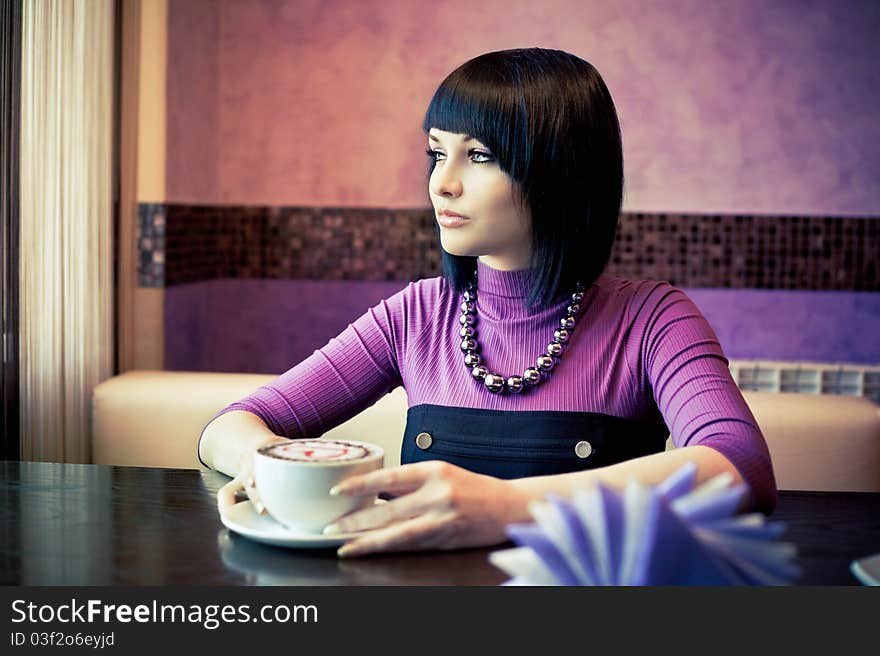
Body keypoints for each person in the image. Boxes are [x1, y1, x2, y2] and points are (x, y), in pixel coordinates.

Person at [198, 47, 776, 558]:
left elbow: (740, 465)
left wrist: (506, 506)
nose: (440, 183)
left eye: (477, 156)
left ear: (558, 171)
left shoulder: (652, 319)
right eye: (436, 153)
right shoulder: (418, 314)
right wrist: (267, 467)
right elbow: (230, 427)